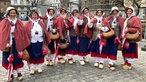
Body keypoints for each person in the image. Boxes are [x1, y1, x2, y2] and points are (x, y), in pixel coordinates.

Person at [0, 7, 30, 81]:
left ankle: (19, 73)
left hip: (17, 43)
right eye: (11, 13)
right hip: (8, 44)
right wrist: (5, 42)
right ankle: (11, 73)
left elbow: (23, 32)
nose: (13, 14)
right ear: (8, 13)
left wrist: (17, 36)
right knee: (8, 59)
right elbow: (1, 33)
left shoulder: (19, 21)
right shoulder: (4, 22)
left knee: (18, 58)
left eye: (14, 13)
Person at [24, 10, 50, 74]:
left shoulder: (41, 23)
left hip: (40, 41)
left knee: (40, 55)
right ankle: (32, 68)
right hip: (32, 42)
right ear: (31, 16)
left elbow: (45, 31)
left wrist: (46, 40)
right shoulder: (27, 24)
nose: (34, 16)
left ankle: (39, 67)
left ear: (37, 16)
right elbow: (25, 33)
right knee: (32, 55)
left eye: (35, 15)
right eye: (33, 15)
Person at [105, 6, 124, 70]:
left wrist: (121, 36)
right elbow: (104, 22)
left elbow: (122, 28)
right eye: (114, 11)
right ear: (112, 12)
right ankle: (111, 60)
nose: (115, 12)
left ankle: (111, 62)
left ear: (117, 12)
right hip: (110, 35)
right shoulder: (109, 18)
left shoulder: (120, 19)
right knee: (109, 48)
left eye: (116, 11)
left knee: (114, 49)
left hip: (116, 36)